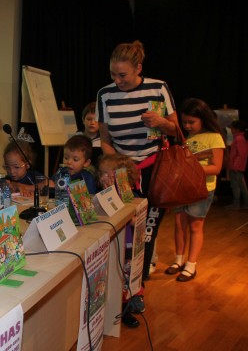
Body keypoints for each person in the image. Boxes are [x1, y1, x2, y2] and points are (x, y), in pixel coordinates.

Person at [96, 40, 179, 280]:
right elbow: (105, 140)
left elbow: (176, 130)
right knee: (123, 230)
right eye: (113, 74)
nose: (117, 80)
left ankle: (138, 287)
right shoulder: (105, 94)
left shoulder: (159, 88)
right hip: (121, 173)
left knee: (146, 233)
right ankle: (118, 286)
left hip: (154, 171)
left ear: (138, 69)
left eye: (123, 75)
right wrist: (117, 170)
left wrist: (161, 123)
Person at [164, 98, 225, 282]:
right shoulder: (187, 138)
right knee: (179, 224)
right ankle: (178, 260)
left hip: (202, 189)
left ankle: (191, 265)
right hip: (183, 188)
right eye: (185, 122)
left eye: (192, 122)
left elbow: (216, 168)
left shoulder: (214, 137)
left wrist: (189, 168)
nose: (188, 126)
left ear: (203, 119)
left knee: (195, 226)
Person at [97, 153, 144, 328]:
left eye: (109, 175)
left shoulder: (130, 195)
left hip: (128, 245)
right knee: (113, 280)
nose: (104, 178)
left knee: (126, 278)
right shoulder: (100, 194)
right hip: (110, 245)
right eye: (102, 174)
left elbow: (136, 220)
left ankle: (126, 309)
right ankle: (112, 309)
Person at [224, 119, 248, 210]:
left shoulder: (239, 139)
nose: (231, 130)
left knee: (236, 186)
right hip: (237, 166)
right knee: (242, 186)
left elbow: (241, 154)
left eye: (232, 128)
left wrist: (235, 166)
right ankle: (244, 203)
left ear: (237, 129)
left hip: (236, 167)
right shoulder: (239, 138)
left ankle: (236, 204)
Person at [77, 101, 102, 175]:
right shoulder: (75, 139)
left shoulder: (104, 142)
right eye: (89, 119)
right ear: (83, 120)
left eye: (96, 120)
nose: (92, 123)